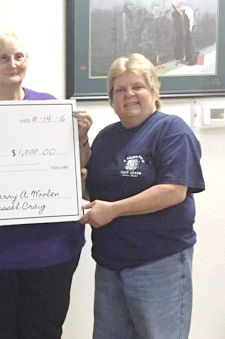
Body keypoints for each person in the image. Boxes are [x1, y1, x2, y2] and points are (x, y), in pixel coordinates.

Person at [0, 30, 92, 339]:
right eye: (3, 57)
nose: (12, 63)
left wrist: (81, 136)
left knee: (45, 332)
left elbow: (78, 167)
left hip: (51, 249)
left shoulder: (51, 109)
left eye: (19, 56)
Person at [80, 53, 205, 339]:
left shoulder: (171, 130)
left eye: (137, 87)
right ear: (111, 98)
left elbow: (174, 191)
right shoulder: (106, 137)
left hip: (159, 264)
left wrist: (113, 210)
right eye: (120, 89)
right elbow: (95, 192)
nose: (129, 95)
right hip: (110, 266)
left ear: (153, 91)